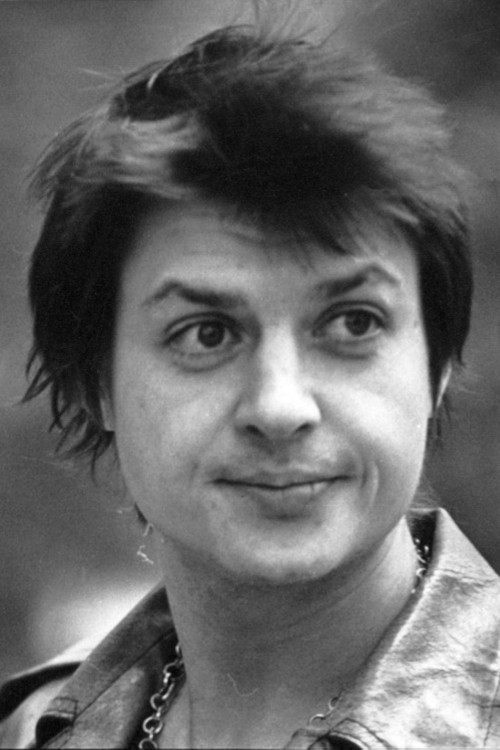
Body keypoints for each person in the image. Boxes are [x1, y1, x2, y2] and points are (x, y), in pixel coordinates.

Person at [1, 17, 499, 750]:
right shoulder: (31, 728)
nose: (279, 405)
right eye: (206, 333)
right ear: (92, 384)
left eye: (353, 323)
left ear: (438, 366)